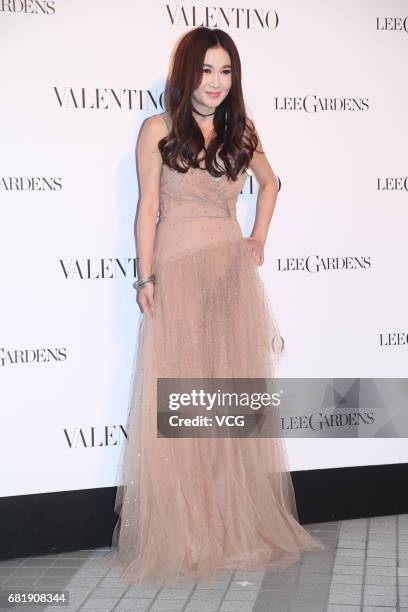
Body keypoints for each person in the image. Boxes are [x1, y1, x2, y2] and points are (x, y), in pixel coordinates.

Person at [104, 26, 324, 586]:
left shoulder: (242, 129)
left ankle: (232, 526)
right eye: (206, 70)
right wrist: (145, 277)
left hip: (229, 276)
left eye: (226, 72)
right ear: (186, 73)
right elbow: (148, 205)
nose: (217, 83)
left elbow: (272, 184)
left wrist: (258, 237)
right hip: (176, 276)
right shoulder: (157, 129)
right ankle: (191, 532)